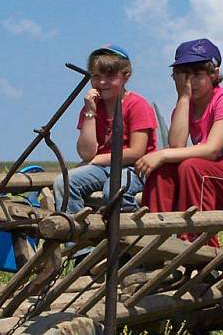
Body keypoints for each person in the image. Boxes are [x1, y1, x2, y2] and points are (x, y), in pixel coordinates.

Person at [136, 38, 223, 247]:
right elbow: (177, 145)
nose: (191, 83)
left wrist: (160, 154)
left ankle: (199, 243)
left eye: (197, 75)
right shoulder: (186, 106)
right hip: (211, 179)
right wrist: (184, 98)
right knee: (163, 171)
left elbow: (212, 150)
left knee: (193, 167)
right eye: (184, 76)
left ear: (213, 74)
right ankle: (153, 238)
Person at [53, 44, 157, 215]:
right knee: (64, 182)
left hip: (134, 168)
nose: (102, 83)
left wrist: (97, 160)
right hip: (102, 167)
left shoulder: (137, 105)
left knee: (114, 191)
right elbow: (86, 153)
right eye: (96, 76)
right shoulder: (92, 107)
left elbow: (137, 152)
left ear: (125, 76)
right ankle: (78, 237)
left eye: (110, 77)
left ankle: (132, 232)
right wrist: (90, 113)